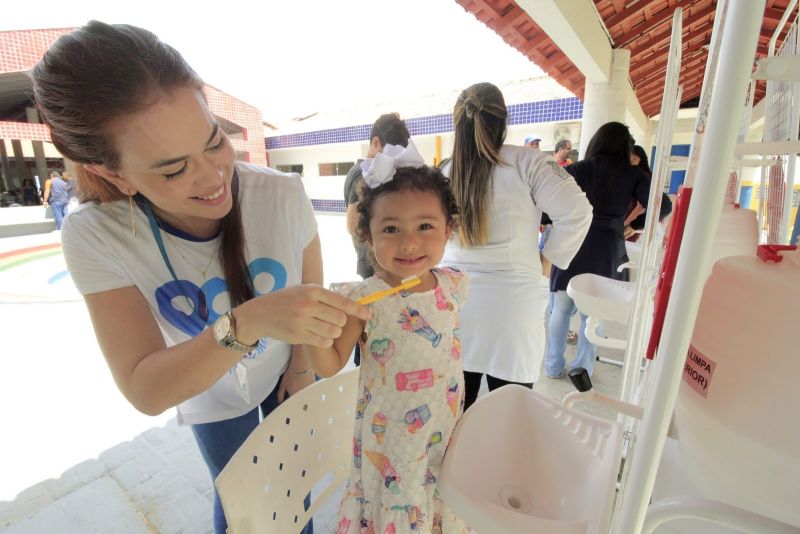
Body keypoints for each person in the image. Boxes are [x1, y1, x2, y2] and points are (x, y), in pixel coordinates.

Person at [31, 21, 370, 534]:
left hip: (286, 373)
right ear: (110, 173)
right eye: (172, 171)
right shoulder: (95, 236)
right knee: (239, 503)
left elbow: (312, 307)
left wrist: (301, 367)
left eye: (215, 143)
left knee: (290, 491)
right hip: (205, 389)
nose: (214, 179)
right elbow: (146, 389)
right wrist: (248, 321)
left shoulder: (280, 195)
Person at [308, 141, 470, 533]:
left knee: (438, 501)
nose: (409, 242)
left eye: (425, 226)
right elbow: (328, 365)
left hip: (443, 434)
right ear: (368, 234)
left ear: (448, 229)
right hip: (391, 446)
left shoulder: (452, 285)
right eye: (391, 229)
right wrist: (312, 330)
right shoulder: (364, 300)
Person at [441, 82, 592, 411]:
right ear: (503, 120)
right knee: (506, 419)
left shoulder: (445, 170)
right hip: (513, 308)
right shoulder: (529, 162)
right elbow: (578, 212)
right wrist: (547, 260)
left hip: (453, 303)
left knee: (450, 419)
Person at [545, 123, 673, 379]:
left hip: (572, 242)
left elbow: (550, 206)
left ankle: (552, 366)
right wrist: (632, 224)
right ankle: (583, 368)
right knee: (592, 315)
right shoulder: (632, 175)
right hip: (606, 250)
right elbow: (664, 206)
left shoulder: (576, 169)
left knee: (560, 308)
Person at [343, 113, 410, 366]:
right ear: (375, 143)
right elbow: (352, 225)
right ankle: (365, 370)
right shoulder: (363, 173)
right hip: (374, 268)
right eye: (389, 152)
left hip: (386, 267)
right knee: (371, 327)